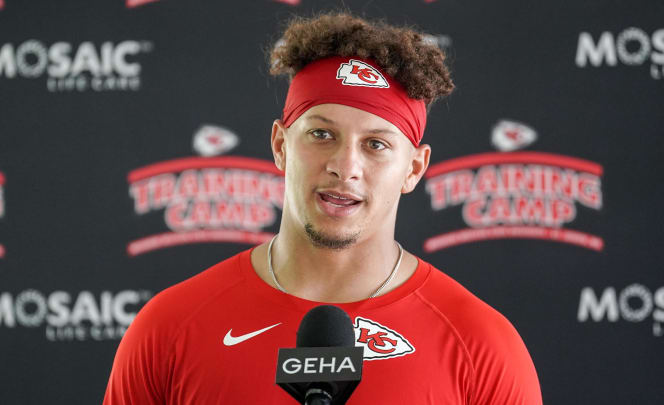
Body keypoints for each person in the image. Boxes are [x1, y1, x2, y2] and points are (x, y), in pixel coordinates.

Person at [103, 12, 542, 404]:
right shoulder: (170, 328)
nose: (344, 166)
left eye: (375, 145)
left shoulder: (480, 345)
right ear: (280, 145)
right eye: (321, 135)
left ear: (413, 169)